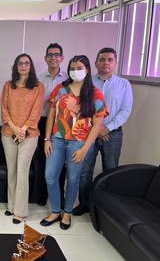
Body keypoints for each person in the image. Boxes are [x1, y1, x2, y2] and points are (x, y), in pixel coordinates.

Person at [40, 55, 108, 230]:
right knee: (50, 175)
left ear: (86, 70)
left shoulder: (95, 93)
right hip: (57, 139)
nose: (75, 71)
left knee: (73, 178)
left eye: (79, 68)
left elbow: (96, 125)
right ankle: (56, 210)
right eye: (72, 68)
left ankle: (67, 212)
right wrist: (47, 138)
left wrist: (86, 148)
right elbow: (51, 116)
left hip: (79, 142)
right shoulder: (60, 89)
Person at [73, 48, 133, 216]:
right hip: (89, 133)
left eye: (110, 59)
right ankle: (84, 204)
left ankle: (106, 208)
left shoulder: (123, 84)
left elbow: (125, 111)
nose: (106, 62)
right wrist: (96, 128)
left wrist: (108, 127)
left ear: (115, 63)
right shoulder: (88, 83)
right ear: (95, 63)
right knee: (85, 171)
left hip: (112, 134)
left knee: (110, 171)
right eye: (102, 59)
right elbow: (82, 108)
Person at [0, 53, 44, 224]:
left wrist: (24, 129)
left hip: (29, 135)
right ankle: (11, 206)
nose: (23, 66)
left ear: (31, 66)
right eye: (20, 63)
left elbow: (37, 110)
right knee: (12, 170)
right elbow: (4, 108)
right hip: (8, 132)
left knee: (22, 171)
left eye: (26, 63)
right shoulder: (8, 85)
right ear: (15, 66)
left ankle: (20, 211)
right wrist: (14, 128)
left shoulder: (38, 87)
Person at [32, 43, 68, 206]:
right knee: (41, 159)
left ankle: (59, 197)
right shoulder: (39, 79)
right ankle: (41, 195)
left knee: (59, 160)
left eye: (56, 55)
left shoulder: (69, 80)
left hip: (62, 124)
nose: (53, 58)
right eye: (50, 55)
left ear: (62, 58)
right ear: (45, 58)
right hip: (42, 121)